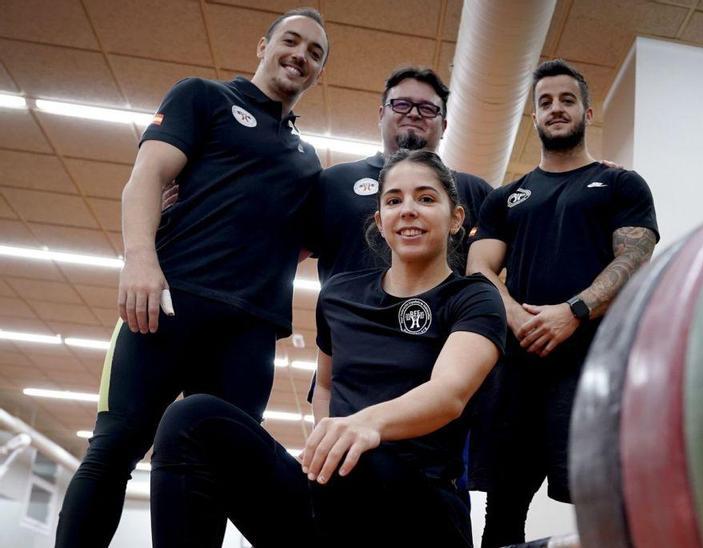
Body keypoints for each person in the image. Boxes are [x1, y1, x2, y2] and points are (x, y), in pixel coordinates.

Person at [55, 8, 329, 547]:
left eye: (315, 53)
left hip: (248, 336)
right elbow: (147, 177)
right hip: (167, 304)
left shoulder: (307, 159)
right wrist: (139, 258)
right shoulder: (204, 97)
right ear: (262, 46)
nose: (300, 55)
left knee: (213, 467)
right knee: (113, 450)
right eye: (291, 41)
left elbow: (298, 240)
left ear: (319, 73)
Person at [150, 149, 505, 548]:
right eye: (393, 201)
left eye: (425, 198)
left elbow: (450, 393)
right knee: (193, 418)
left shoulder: (474, 298)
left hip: (424, 509)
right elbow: (326, 385)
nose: (408, 210)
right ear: (380, 222)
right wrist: (327, 440)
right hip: (337, 497)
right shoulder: (339, 293)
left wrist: (365, 425)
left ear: (456, 218)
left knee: (360, 458)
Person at [467, 59, 660, 547]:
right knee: (502, 515)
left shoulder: (620, 184)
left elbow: (636, 257)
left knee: (605, 509)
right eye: (545, 102)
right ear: (533, 117)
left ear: (588, 111)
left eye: (566, 100)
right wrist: (513, 312)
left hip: (592, 369)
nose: (556, 109)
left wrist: (572, 311)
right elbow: (479, 267)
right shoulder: (506, 198)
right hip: (517, 371)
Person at [307, 66, 491, 280]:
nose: (413, 114)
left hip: (445, 313)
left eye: (428, 108)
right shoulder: (335, 182)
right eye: (401, 104)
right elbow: (283, 255)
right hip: (347, 313)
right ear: (381, 114)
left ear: (444, 126)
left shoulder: (475, 192)